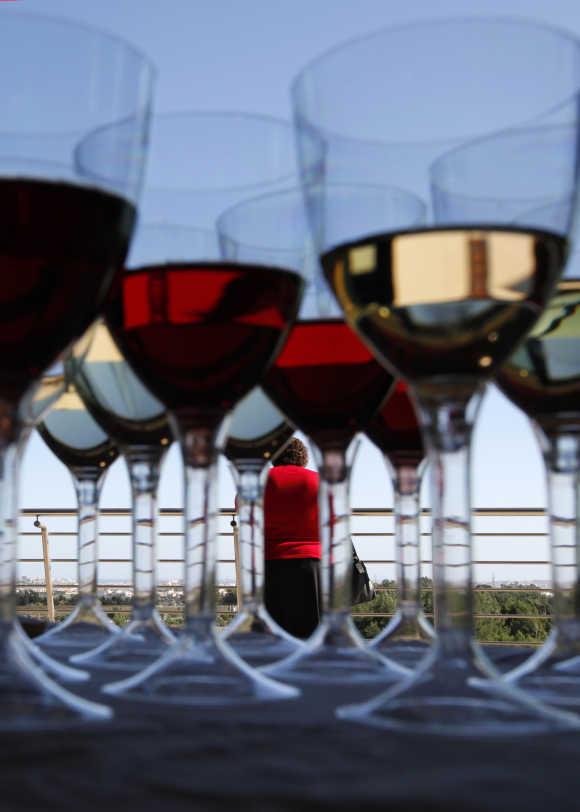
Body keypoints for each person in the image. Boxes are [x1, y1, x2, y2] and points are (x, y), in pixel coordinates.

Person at [263, 437, 321, 639]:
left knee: (276, 632)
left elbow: (242, 507)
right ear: (303, 457)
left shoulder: (261, 480)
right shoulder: (317, 480)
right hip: (314, 564)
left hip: (271, 562)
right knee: (312, 631)